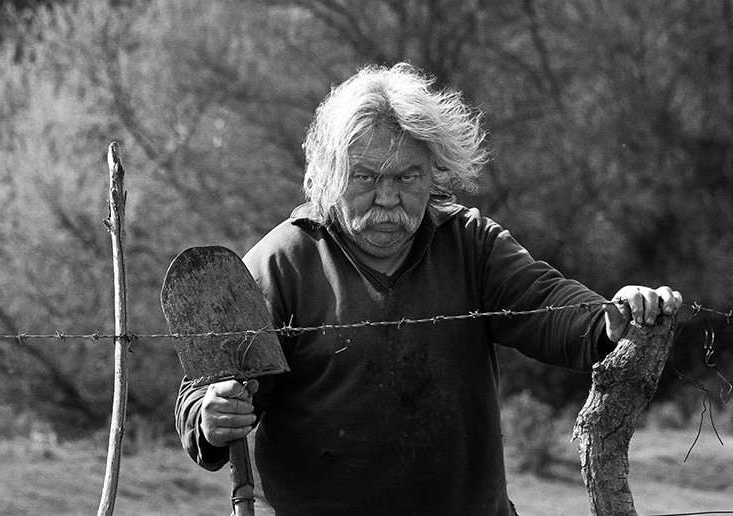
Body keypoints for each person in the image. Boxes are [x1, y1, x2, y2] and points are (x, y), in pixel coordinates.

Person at [175, 63, 682, 515]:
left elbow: (546, 301)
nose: (389, 197)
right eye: (366, 177)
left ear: (435, 174)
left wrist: (610, 316)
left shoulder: (470, 244)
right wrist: (211, 416)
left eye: (408, 176)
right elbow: (203, 393)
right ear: (329, 175)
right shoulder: (282, 262)